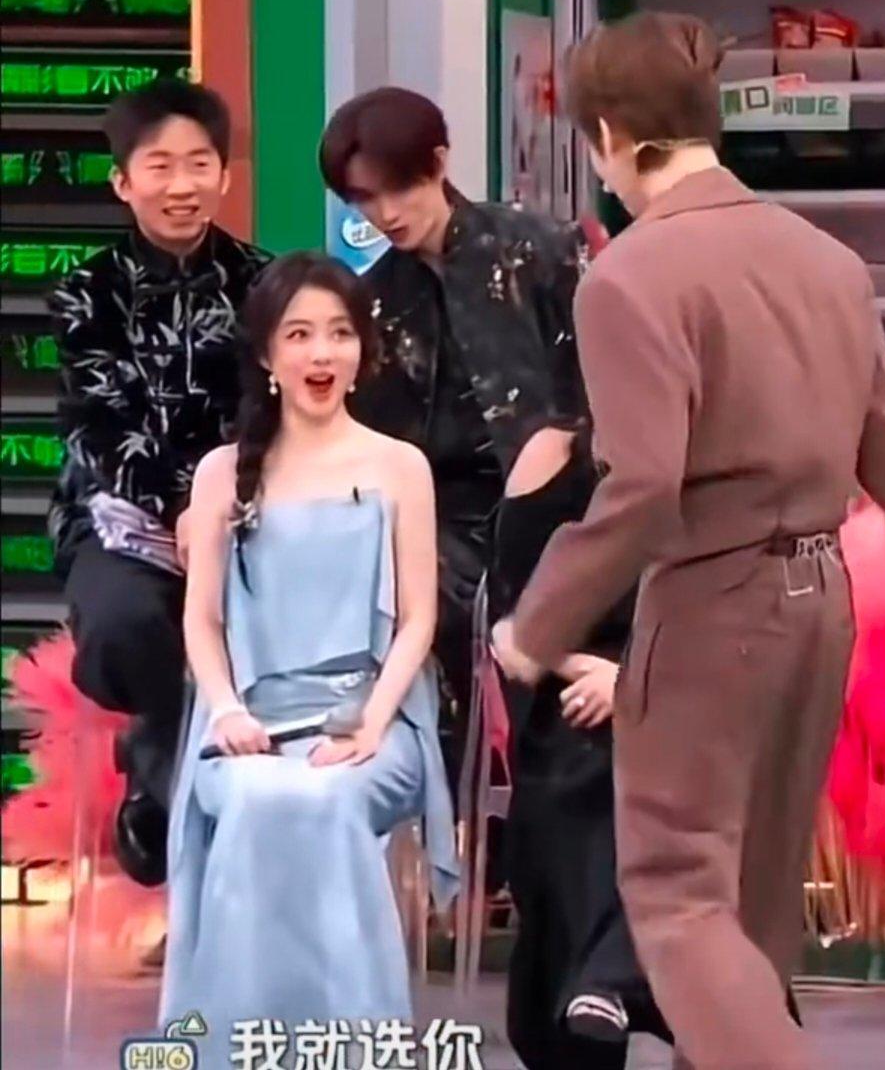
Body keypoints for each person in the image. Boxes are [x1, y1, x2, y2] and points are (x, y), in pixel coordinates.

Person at [493, 12, 885, 1070]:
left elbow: (641, 489)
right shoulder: (824, 261)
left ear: (609, 138)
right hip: (820, 608)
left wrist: (535, 626)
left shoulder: (629, 277)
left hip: (711, 606)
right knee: (757, 901)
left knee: (678, 893)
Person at [160, 253, 457, 1061]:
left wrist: (372, 722)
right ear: (267, 354)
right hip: (248, 723)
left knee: (324, 798)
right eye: (298, 336)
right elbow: (202, 622)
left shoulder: (400, 466)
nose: (321, 354)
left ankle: (353, 1045)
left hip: (373, 720)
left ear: (362, 349)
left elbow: (419, 620)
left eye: (338, 334)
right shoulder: (222, 474)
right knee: (259, 797)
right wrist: (227, 711)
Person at [318, 88, 588, 781]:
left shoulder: (542, 249)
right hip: (441, 525)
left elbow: (601, 386)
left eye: (399, 189)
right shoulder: (374, 300)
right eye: (364, 200)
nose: (386, 213)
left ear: (438, 163)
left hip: (566, 507)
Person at [47, 79, 270, 889]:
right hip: (120, 521)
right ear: (122, 181)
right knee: (127, 623)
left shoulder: (266, 285)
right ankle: (172, 782)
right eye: (160, 166)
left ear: (225, 175)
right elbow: (103, 424)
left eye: (199, 164)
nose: (182, 185)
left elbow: (269, 413)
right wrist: (177, 510)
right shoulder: (86, 293)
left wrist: (221, 508)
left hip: (248, 518)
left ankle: (176, 797)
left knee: (277, 629)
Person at [489, 422, 671, 1069]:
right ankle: (601, 985)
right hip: (568, 691)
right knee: (582, 765)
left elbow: (733, 619)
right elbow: (512, 624)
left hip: (686, 691)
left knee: (649, 764)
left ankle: (607, 979)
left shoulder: (719, 460)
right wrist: (578, 666)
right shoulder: (552, 456)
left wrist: (633, 683)